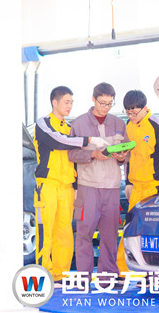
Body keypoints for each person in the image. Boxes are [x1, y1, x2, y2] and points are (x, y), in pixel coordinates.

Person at [33, 86, 108, 284]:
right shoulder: (44, 123)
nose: (70, 106)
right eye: (66, 102)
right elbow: (57, 141)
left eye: (72, 103)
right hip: (47, 186)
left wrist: (75, 188)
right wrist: (88, 140)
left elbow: (73, 158)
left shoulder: (69, 128)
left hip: (66, 188)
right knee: (45, 232)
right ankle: (43, 274)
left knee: (65, 234)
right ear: (54, 102)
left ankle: (60, 275)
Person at [116, 90, 159, 272]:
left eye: (134, 112)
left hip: (156, 190)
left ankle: (154, 274)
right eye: (128, 113)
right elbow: (130, 156)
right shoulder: (129, 126)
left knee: (154, 234)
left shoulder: (157, 124)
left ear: (145, 108)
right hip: (136, 189)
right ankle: (123, 273)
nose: (131, 117)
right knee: (130, 232)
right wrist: (129, 182)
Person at [68, 82, 129, 277]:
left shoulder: (119, 124)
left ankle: (108, 277)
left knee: (110, 236)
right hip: (88, 187)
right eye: (102, 103)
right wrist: (93, 154)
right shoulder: (79, 123)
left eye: (110, 103)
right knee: (84, 234)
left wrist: (122, 157)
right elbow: (71, 154)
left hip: (112, 187)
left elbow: (127, 152)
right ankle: (83, 278)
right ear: (93, 99)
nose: (106, 107)